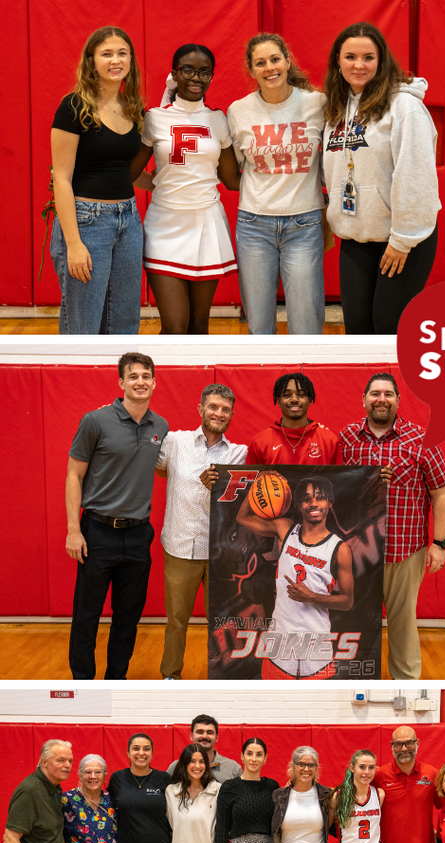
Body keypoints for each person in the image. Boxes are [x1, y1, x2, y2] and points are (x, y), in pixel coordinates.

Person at [323, 22, 442, 334]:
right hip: (355, 236)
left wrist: (403, 240)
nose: (359, 65)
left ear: (381, 60)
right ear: (338, 60)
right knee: (358, 330)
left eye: (368, 57)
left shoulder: (405, 107)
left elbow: (416, 177)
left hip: (403, 238)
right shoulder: (335, 107)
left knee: (389, 327)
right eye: (350, 57)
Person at [337, 372, 445, 680]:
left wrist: (440, 543)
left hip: (404, 550)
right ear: (364, 400)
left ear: (398, 401)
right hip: (357, 551)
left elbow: (441, 490)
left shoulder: (421, 438)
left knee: (403, 622)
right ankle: (356, 676)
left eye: (388, 394)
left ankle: (406, 681)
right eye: (375, 393)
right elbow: (334, 488)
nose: (381, 399)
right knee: (355, 620)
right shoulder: (346, 438)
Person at [65, 352, 168, 679]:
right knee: (87, 616)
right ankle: (84, 683)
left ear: (154, 382)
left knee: (128, 617)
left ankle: (116, 680)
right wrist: (73, 530)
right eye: (133, 376)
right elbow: (73, 475)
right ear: (121, 382)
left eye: (146, 376)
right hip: (97, 533)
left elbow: (164, 467)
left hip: (138, 535)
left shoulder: (160, 426)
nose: (140, 382)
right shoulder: (95, 421)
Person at [132, 44, 239, 334]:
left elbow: (232, 180)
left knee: (198, 326)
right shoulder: (154, 117)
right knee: (175, 328)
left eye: (204, 72)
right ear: (174, 74)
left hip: (207, 224)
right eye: (188, 70)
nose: (196, 78)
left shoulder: (218, 119)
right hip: (165, 226)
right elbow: (129, 172)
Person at [227, 33, 325, 335]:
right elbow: (234, 168)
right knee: (259, 323)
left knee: (306, 323)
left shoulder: (316, 103)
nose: (269, 68)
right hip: (254, 225)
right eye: (260, 63)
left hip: (304, 224)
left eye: (275, 59)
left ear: (287, 61)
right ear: (251, 70)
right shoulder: (238, 111)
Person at [50, 26, 144, 334]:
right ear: (91, 61)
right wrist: (74, 244)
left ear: (131, 60)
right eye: (107, 54)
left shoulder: (133, 107)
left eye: (122, 53)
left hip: (129, 221)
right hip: (87, 222)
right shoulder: (73, 107)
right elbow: (62, 178)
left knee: (124, 322)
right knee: (84, 325)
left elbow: (123, 169)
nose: (116, 60)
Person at [156, 383, 247, 680]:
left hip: (221, 552)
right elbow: (155, 465)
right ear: (201, 409)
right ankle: (171, 675)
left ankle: (222, 677)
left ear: (232, 415)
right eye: (213, 407)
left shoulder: (240, 454)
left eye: (225, 409)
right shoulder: (175, 442)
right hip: (180, 545)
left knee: (221, 621)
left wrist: (222, 485)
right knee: (176, 619)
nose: (219, 413)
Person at [236, 473, 355, 678]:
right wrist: (258, 486)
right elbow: (242, 517)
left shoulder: (339, 548)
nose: (313, 503)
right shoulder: (285, 530)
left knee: (316, 699)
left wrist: (312, 597)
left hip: (316, 644)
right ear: (299, 505)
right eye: (307, 499)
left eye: (320, 497)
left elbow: (347, 601)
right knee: (274, 698)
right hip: (279, 643)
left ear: (330, 503)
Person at [247, 373, 338, 465]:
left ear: (310, 400)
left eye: (301, 394)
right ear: (278, 401)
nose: (294, 399)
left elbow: (338, 474)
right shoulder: (260, 442)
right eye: (287, 395)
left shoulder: (329, 441)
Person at [165, 715, 243, 782]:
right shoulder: (176, 767)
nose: (205, 736)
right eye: (200, 732)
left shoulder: (233, 769)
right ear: (191, 736)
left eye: (209, 732)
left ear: (216, 738)